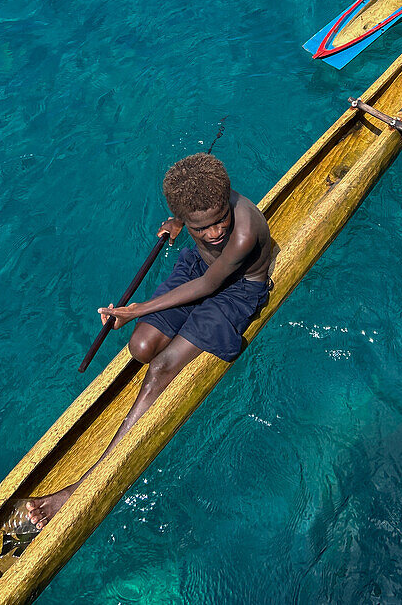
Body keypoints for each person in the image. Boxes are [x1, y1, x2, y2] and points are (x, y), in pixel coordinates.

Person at [25, 153, 272, 531]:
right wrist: (177, 225)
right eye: (201, 227)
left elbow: (208, 287)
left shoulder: (242, 233)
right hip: (201, 269)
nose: (214, 233)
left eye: (220, 219)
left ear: (228, 203)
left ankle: (84, 484)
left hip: (236, 290)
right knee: (139, 349)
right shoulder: (198, 210)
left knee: (160, 368)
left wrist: (136, 310)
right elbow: (199, 248)